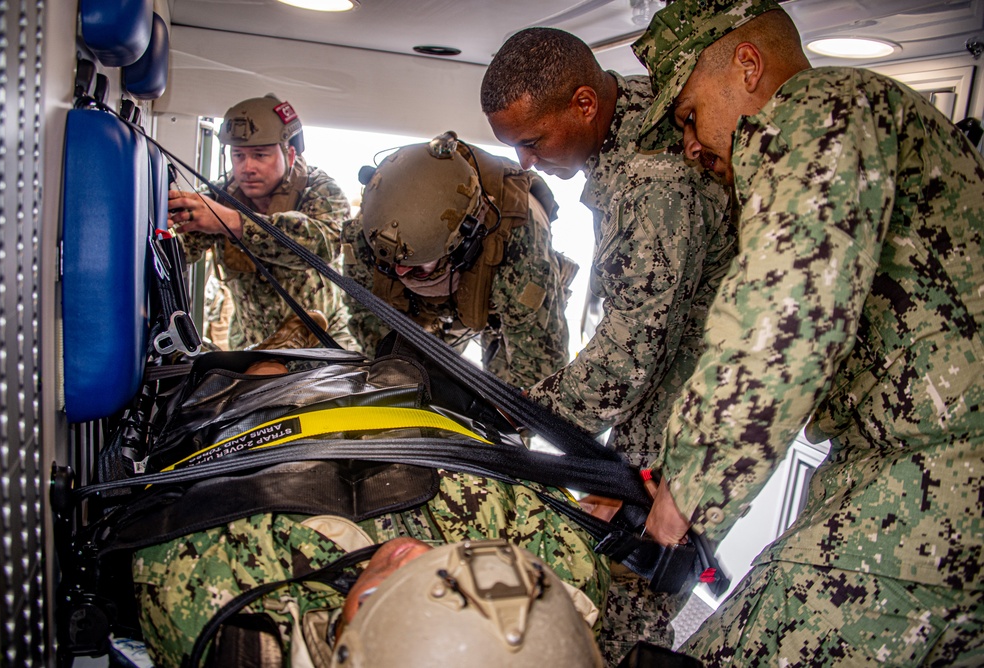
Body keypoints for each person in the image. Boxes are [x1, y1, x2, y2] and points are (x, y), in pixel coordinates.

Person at [633, 0, 984, 664]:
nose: (690, 145)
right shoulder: (861, 122)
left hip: (943, 472)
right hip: (902, 464)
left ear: (747, 64)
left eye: (688, 116)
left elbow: (784, 314)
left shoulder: (819, 106)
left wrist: (689, 489)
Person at [480, 28, 734, 661]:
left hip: (687, 428)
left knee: (623, 612)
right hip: (661, 414)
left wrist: (515, 418)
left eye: (532, 142)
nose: (526, 164)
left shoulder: (653, 183)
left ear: (586, 104)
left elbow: (628, 356)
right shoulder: (642, 125)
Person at [128, 348, 610, 667]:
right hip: (385, 397)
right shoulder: (557, 588)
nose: (415, 556)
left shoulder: (215, 604)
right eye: (461, 574)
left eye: (396, 593)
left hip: (264, 418)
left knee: (257, 377)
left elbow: (181, 510)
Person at [341, 132, 577, 389]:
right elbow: (364, 314)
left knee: (504, 395)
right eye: (394, 264)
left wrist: (502, 418)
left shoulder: (520, 242)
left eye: (415, 266)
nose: (400, 270)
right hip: (424, 306)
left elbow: (539, 368)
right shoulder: (370, 230)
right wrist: (397, 380)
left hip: (496, 301)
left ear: (465, 243)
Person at [168, 95, 354, 349]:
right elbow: (174, 253)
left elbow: (324, 246)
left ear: (289, 155)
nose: (247, 168)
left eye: (260, 155)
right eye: (238, 156)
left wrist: (232, 221)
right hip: (253, 343)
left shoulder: (320, 191)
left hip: (324, 343)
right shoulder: (220, 195)